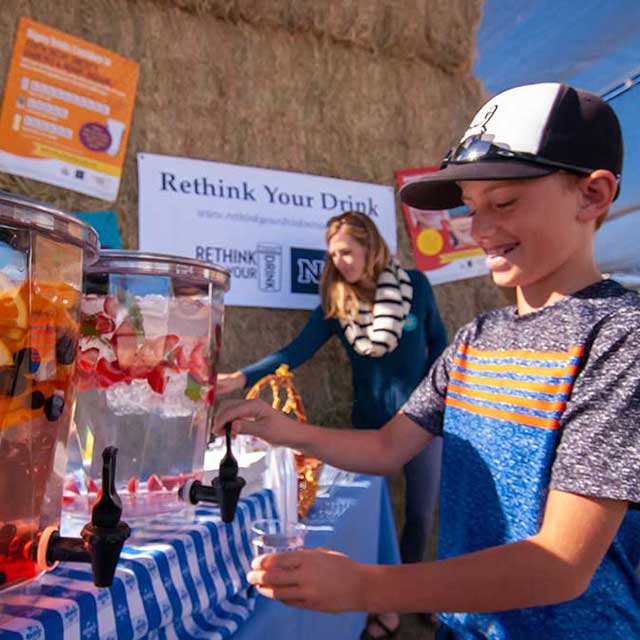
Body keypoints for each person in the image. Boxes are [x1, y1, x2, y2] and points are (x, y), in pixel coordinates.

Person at [215, 82, 640, 639]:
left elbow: (561, 563)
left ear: (593, 195)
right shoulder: (476, 339)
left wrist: (367, 588)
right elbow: (387, 446)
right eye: (472, 208)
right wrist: (286, 430)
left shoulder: (620, 337)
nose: (480, 230)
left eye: (505, 203)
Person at [218, 210, 448, 638]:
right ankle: (376, 605)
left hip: (423, 426)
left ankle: (414, 594)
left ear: (370, 247)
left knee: (419, 513)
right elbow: (295, 351)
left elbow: (440, 347)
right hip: (366, 429)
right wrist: (243, 377)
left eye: (346, 252)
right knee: (367, 516)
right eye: (333, 255)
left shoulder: (415, 287)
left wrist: (439, 405)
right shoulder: (336, 301)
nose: (339, 261)